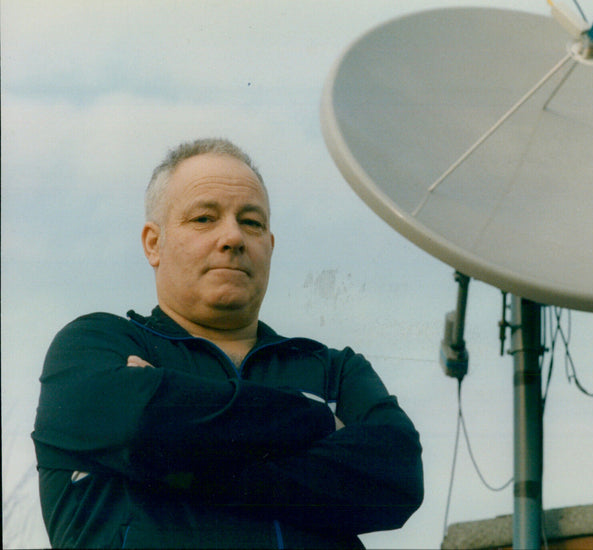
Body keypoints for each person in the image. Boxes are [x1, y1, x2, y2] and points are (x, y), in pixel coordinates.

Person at [32, 138, 424, 549]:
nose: (233, 237)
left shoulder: (333, 370)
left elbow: (398, 477)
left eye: (252, 222)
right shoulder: (92, 348)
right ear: (153, 243)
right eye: (204, 218)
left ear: (269, 247)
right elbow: (140, 423)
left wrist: (179, 458)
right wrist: (319, 421)